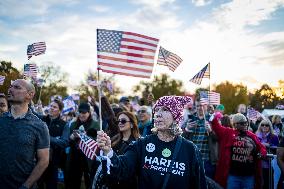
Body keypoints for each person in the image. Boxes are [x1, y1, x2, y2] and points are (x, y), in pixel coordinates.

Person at [96, 96, 208, 189]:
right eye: (157, 110)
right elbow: (122, 169)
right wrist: (108, 151)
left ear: (176, 117)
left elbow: (199, 185)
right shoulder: (141, 145)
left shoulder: (190, 150)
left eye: (165, 110)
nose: (158, 114)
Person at [0, 79, 50, 189]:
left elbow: (44, 161)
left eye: (17, 87)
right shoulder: (1, 120)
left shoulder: (40, 126)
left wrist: (26, 186)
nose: (10, 89)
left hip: (23, 185)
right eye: (10, 86)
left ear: (30, 95)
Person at [210, 112, 267, 189]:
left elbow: (262, 148)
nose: (245, 124)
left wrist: (261, 153)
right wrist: (214, 115)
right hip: (233, 175)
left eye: (246, 122)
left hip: (248, 175)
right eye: (242, 123)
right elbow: (216, 127)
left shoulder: (252, 135)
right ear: (235, 124)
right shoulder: (228, 133)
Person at [93, 111, 140, 189]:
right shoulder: (113, 140)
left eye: (123, 121)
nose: (120, 123)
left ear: (132, 124)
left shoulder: (138, 143)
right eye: (118, 121)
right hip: (110, 181)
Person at [38, 99, 69, 189]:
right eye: (51, 106)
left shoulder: (64, 124)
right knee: (37, 184)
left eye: (54, 107)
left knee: (51, 185)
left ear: (59, 110)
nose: (51, 108)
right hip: (38, 160)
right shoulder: (42, 119)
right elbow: (30, 112)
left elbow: (64, 142)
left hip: (53, 162)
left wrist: (48, 138)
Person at [183, 101, 218, 179]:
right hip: (192, 159)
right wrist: (187, 129)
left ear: (207, 106)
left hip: (207, 160)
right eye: (198, 106)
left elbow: (218, 139)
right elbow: (181, 138)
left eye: (203, 105)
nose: (200, 108)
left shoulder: (212, 120)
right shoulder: (190, 119)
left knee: (206, 184)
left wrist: (210, 131)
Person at [68, 102, 100, 189]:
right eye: (80, 112)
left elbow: (98, 141)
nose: (82, 115)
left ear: (89, 113)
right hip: (75, 157)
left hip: (89, 157)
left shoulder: (95, 124)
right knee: (74, 181)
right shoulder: (74, 124)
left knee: (89, 181)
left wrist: (86, 136)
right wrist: (71, 137)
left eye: (84, 113)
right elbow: (68, 142)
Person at [256, 119, 279, 189]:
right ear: (260, 126)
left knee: (268, 183)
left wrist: (269, 145)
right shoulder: (256, 135)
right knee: (259, 183)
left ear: (270, 127)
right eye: (262, 125)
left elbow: (278, 149)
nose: (264, 126)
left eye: (267, 125)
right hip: (258, 163)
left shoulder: (274, 136)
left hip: (269, 164)